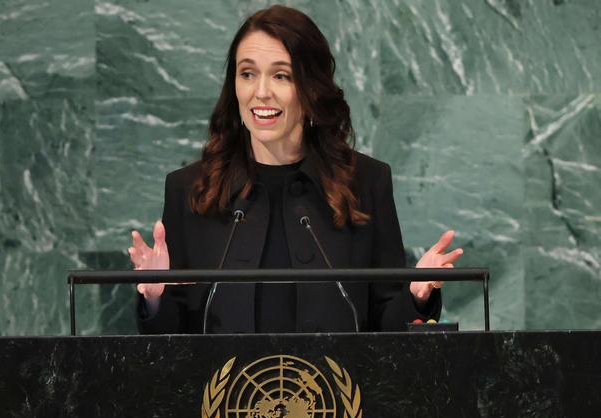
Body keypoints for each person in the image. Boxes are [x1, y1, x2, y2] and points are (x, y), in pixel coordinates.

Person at [128, 5, 462, 334]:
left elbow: (384, 322)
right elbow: (171, 347)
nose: (261, 93)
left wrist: (416, 294)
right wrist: (154, 298)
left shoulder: (366, 182)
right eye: (247, 74)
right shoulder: (189, 187)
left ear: (310, 88)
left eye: (281, 75)